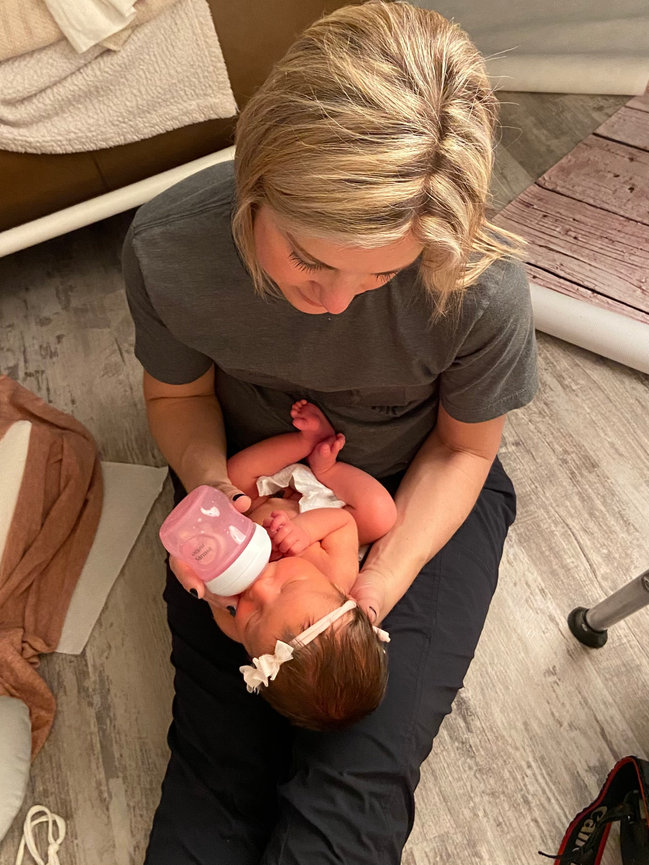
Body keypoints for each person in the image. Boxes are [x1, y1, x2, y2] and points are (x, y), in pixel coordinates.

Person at [122, 2, 537, 862]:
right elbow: (177, 401)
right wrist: (215, 490)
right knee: (217, 761)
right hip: (248, 488)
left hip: (419, 499)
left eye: (383, 271)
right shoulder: (170, 250)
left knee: (352, 785)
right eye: (308, 258)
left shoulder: (477, 288)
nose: (336, 303)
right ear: (255, 182)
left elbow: (463, 450)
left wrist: (375, 584)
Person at [198, 397, 397, 729]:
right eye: (287, 587)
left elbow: (212, 585)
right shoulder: (337, 572)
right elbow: (343, 524)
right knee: (380, 514)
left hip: (259, 503)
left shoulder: (232, 625)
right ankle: (326, 464)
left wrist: (218, 585)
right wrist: (303, 531)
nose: (259, 587)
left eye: (251, 618)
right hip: (319, 508)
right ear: (343, 598)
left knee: (231, 479)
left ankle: (299, 442)